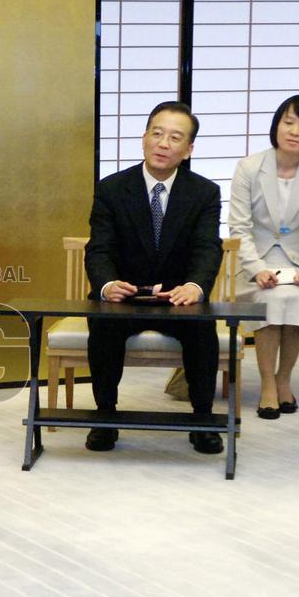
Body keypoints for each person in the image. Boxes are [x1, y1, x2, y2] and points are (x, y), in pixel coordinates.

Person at [84, 101, 224, 454]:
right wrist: (106, 284)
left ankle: (202, 420)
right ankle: (105, 418)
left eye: (175, 137)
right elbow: (99, 248)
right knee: (102, 325)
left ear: (188, 149)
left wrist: (194, 286)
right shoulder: (112, 188)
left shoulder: (204, 193)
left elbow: (207, 248)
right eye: (157, 133)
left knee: (203, 329)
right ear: (144, 138)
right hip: (125, 295)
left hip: (178, 297)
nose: (164, 143)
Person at [228, 95, 299, 420]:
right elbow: (238, 226)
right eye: (288, 122)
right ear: (276, 125)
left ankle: (283, 378)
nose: (294, 131)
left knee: (295, 295)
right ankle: (267, 385)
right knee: (271, 297)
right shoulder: (249, 167)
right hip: (253, 264)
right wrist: (257, 268)